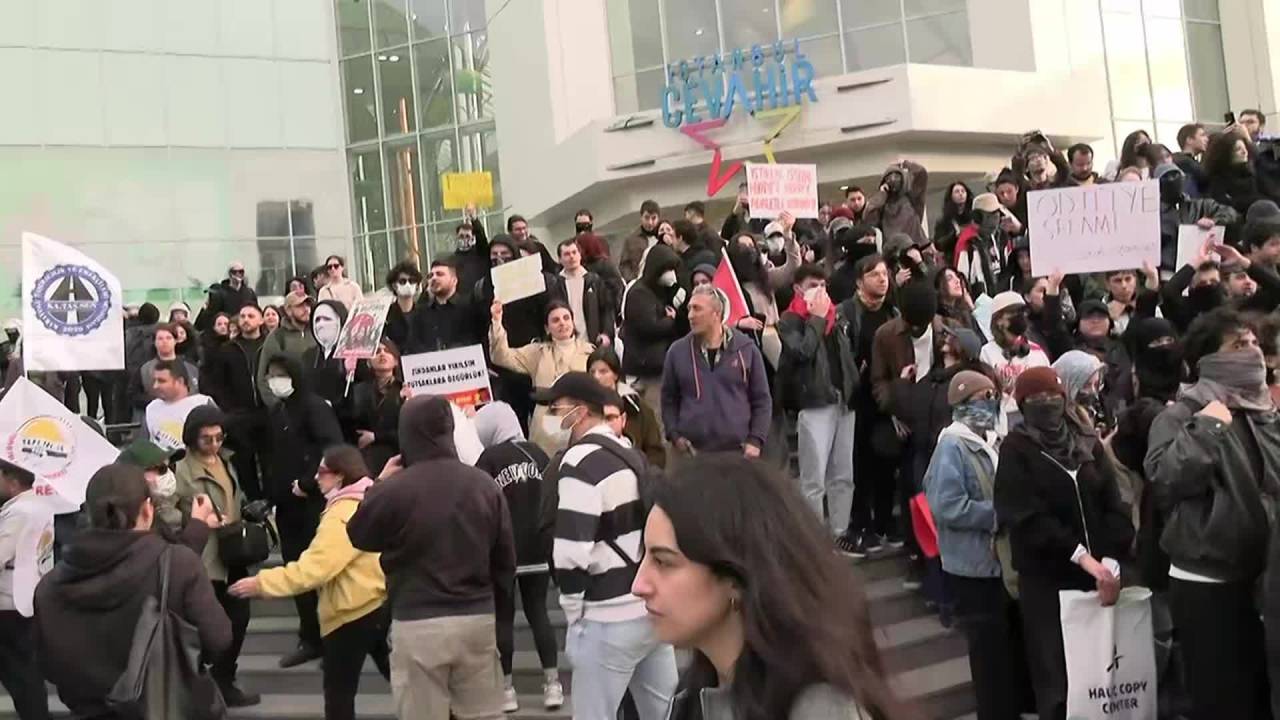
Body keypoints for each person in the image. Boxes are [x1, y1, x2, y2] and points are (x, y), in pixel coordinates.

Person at [632, 454, 912, 720]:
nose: (638, 585)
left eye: (663, 562)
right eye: (643, 556)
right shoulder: (696, 692)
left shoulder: (817, 709)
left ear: (735, 578)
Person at [347, 395, 516, 720]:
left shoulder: (396, 490)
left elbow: (359, 533)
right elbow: (505, 562)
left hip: (417, 620)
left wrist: (378, 483)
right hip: (476, 617)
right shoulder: (483, 485)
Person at [1144, 308, 1277, 720]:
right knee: (1223, 699)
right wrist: (1207, 430)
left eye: (1253, 343)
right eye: (1238, 345)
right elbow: (1164, 480)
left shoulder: (1264, 412)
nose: (1252, 352)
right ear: (1210, 360)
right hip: (1208, 581)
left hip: (1265, 578)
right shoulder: (1181, 415)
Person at [34, 463, 231, 718]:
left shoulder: (49, 585)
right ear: (148, 509)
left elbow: (48, 664)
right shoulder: (178, 564)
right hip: (167, 706)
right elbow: (218, 638)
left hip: (87, 709)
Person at [994, 367, 1134, 720]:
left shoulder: (1086, 442)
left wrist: (1110, 560)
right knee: (1057, 679)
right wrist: (1081, 556)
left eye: (1053, 396)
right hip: (1047, 581)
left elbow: (1114, 501)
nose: (1047, 403)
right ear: (1022, 405)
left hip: (1098, 577)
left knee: (1101, 672)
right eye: (1037, 399)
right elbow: (1025, 516)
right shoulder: (1016, 449)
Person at [539, 372, 677, 720]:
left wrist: (574, 616)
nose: (551, 416)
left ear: (581, 411)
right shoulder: (631, 453)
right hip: (650, 607)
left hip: (606, 616)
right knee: (666, 712)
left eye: (556, 408)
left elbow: (571, 550)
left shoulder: (578, 462)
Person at [230, 445, 390, 720]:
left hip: (350, 612)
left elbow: (315, 569)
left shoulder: (341, 514)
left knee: (339, 697)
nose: (316, 477)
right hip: (374, 604)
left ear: (340, 476)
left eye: (322, 471)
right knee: (401, 679)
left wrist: (262, 583)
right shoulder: (369, 500)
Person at [922, 370, 1021, 720]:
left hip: (997, 563)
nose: (991, 403)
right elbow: (947, 505)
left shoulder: (990, 440)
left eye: (994, 395)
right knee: (987, 653)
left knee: (1004, 649)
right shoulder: (952, 445)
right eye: (983, 397)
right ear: (962, 404)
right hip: (972, 566)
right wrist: (996, 514)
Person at [471, 402, 564, 713]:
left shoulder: (489, 459)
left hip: (503, 551)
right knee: (539, 613)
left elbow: (478, 505)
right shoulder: (538, 453)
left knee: (504, 618)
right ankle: (553, 684)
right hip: (538, 548)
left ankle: (507, 689)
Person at [167, 405, 262, 706]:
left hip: (232, 552)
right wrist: (194, 522)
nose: (214, 444)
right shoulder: (180, 470)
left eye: (219, 437)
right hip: (203, 558)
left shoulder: (227, 462)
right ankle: (198, 685)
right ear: (192, 437)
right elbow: (166, 510)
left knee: (239, 619)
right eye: (206, 439)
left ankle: (224, 680)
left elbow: (234, 497)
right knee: (204, 627)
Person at [263, 354, 345, 669]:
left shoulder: (315, 408)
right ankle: (310, 637)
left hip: (315, 503)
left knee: (324, 572)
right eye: (270, 374)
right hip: (287, 507)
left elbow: (333, 449)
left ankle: (335, 639)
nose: (275, 380)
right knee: (296, 570)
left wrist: (311, 483)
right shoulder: (277, 411)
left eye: (280, 374)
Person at [777, 264, 857, 539]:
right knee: (814, 479)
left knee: (843, 475)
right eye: (813, 285)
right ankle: (814, 537)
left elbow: (846, 355)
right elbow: (802, 351)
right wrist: (817, 319)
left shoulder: (837, 316)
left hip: (842, 400)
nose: (820, 290)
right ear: (798, 289)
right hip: (814, 402)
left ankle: (840, 531)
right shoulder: (790, 320)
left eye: (823, 285)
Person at [662, 285, 772, 456]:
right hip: (692, 455)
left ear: (716, 313)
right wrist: (675, 435)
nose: (690, 315)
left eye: (697, 309)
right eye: (689, 308)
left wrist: (755, 440)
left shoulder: (746, 349)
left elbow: (762, 400)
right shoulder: (677, 352)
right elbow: (668, 399)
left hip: (737, 453)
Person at [489, 299, 595, 454]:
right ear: (547, 328)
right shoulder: (537, 352)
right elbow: (501, 356)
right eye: (555, 320)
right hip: (546, 424)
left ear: (573, 322)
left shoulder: (590, 352)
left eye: (566, 318)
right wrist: (497, 321)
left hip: (581, 420)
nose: (562, 323)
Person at [0, 459, 52, 720]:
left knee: (21, 674)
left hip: (10, 601)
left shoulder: (20, 511)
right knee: (23, 672)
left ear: (11, 479)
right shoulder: (39, 506)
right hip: (27, 596)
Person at [202, 303, 270, 500]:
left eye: (251, 316)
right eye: (242, 316)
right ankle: (251, 502)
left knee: (270, 461)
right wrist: (228, 410)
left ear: (261, 320)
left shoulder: (269, 346)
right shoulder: (228, 349)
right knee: (244, 464)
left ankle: (271, 500)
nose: (246, 320)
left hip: (267, 412)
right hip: (239, 415)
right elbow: (216, 383)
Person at [621, 243, 684, 415]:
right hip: (647, 367)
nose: (671, 274)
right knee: (654, 414)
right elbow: (649, 327)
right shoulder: (639, 293)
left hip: (658, 364)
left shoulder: (658, 291)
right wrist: (670, 320)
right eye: (667, 269)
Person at [979, 291, 1050, 430]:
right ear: (999, 321)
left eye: (1023, 312)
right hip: (1003, 420)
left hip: (1034, 417)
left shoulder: (1037, 351)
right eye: (1014, 313)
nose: (1020, 317)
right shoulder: (987, 352)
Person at [588, 347, 665, 468]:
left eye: (603, 371)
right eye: (592, 372)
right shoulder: (583, 409)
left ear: (615, 375)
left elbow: (655, 452)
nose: (596, 377)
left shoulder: (636, 407)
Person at [406, 258, 484, 353]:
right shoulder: (420, 313)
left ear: (454, 280)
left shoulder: (469, 309)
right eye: (430, 276)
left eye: (440, 274)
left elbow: (473, 340)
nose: (433, 278)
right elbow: (414, 345)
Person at [351, 339, 403, 476]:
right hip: (368, 459)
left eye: (387, 351)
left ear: (396, 361)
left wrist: (376, 436)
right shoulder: (358, 391)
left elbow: (407, 429)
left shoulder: (405, 389)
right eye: (377, 351)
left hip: (397, 457)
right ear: (368, 361)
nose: (382, 354)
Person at [257, 290, 317, 406]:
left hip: (316, 403)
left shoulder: (316, 332)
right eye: (300, 306)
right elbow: (262, 376)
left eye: (307, 305)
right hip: (289, 405)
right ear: (288, 310)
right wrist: (276, 406)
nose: (306, 309)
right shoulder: (277, 337)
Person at [130, 322, 201, 418]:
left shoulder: (190, 367)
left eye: (168, 338)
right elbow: (134, 394)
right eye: (160, 338)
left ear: (175, 341)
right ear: (154, 342)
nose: (164, 342)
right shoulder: (144, 369)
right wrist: (157, 403)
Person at [143, 359, 216, 451]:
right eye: (154, 380)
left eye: (161, 381)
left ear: (180, 381)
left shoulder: (202, 404)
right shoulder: (151, 408)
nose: (155, 386)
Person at [554, 238, 614, 347]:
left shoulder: (594, 280)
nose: (572, 257)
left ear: (580, 255)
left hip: (593, 341)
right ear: (560, 259)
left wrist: (606, 333)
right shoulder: (556, 284)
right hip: (567, 343)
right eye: (567, 254)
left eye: (574, 252)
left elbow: (606, 309)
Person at [953, 193, 1011, 299]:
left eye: (996, 216)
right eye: (989, 216)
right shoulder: (967, 244)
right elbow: (962, 281)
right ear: (977, 218)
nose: (994, 221)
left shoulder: (1002, 238)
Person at [865, 159, 929, 247]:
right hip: (894, 249)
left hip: (917, 246)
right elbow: (868, 218)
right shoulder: (883, 205)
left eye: (897, 176)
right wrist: (882, 194)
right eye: (889, 177)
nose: (893, 179)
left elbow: (922, 174)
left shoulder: (912, 198)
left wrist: (905, 164)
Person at [202, 261, 259, 327]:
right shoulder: (220, 293)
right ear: (229, 274)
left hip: (245, 326)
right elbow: (212, 315)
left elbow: (256, 311)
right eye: (234, 272)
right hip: (227, 328)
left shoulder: (249, 292)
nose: (238, 274)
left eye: (241, 272)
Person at [450, 208, 491, 293]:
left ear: (473, 238)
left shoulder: (479, 253)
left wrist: (474, 219)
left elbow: (481, 238)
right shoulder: (452, 259)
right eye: (461, 236)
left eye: (467, 236)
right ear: (456, 237)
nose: (464, 239)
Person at [620, 199, 662, 282]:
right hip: (639, 283)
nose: (650, 222)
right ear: (641, 217)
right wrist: (632, 281)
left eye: (653, 218)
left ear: (658, 218)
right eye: (647, 218)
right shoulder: (631, 239)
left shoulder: (664, 237)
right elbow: (624, 265)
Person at [384, 260, 422, 350]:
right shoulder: (386, 315)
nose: (407, 285)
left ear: (417, 286)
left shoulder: (424, 313)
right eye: (402, 281)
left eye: (412, 281)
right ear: (394, 286)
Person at [934, 181, 974, 260]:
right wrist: (954, 235)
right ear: (951, 196)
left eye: (963, 191)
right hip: (953, 259)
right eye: (957, 191)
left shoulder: (974, 216)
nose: (960, 194)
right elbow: (938, 245)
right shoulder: (944, 221)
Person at [1174, 122, 1210, 197]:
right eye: (1202, 135)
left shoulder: (1186, 160)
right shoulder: (1184, 162)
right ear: (1189, 140)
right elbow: (1206, 177)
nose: (1207, 139)